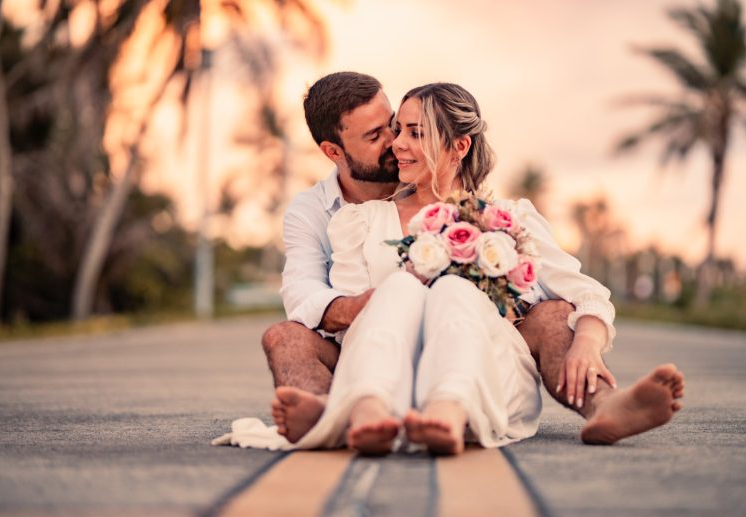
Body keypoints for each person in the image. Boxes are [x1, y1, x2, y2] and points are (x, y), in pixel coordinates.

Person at [268, 80, 685, 454]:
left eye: (410, 131)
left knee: (494, 300)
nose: (396, 144)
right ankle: (351, 410)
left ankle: (599, 404)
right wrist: (407, 292)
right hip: (383, 355)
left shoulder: (505, 217)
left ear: (459, 145)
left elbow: (582, 291)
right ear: (334, 151)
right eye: (389, 134)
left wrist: (588, 340)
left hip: (484, 358)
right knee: (394, 294)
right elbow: (331, 310)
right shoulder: (355, 221)